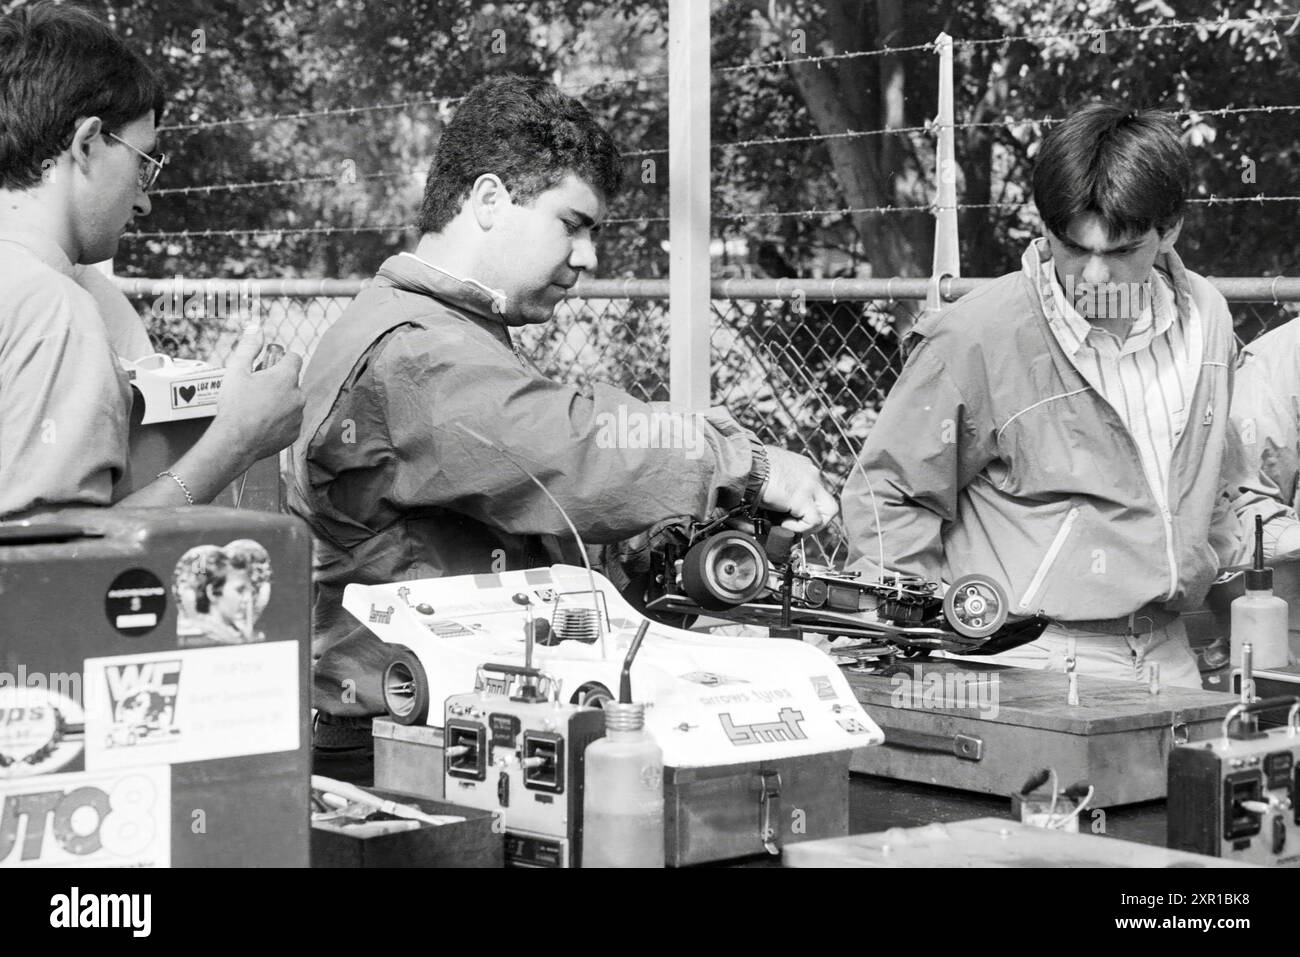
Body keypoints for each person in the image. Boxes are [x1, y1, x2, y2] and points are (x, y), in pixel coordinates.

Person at [288, 75, 837, 722]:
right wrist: (745, 464)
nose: (588, 256)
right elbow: (566, 452)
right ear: (489, 198)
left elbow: (527, 509)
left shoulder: (453, 333)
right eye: (572, 224)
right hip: (396, 759)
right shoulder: (417, 350)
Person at [841, 103, 1300, 689]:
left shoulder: (1206, 316)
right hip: (1023, 654)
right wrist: (912, 646)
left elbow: (1219, 481)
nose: (1095, 277)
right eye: (1073, 249)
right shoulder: (977, 335)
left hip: (1168, 649)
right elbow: (891, 494)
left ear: (1170, 230)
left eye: (1121, 252)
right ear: (1045, 228)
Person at [0, 2, 303, 520]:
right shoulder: (53, 310)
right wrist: (236, 440)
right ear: (88, 145)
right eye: (143, 164)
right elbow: (58, 573)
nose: (144, 201)